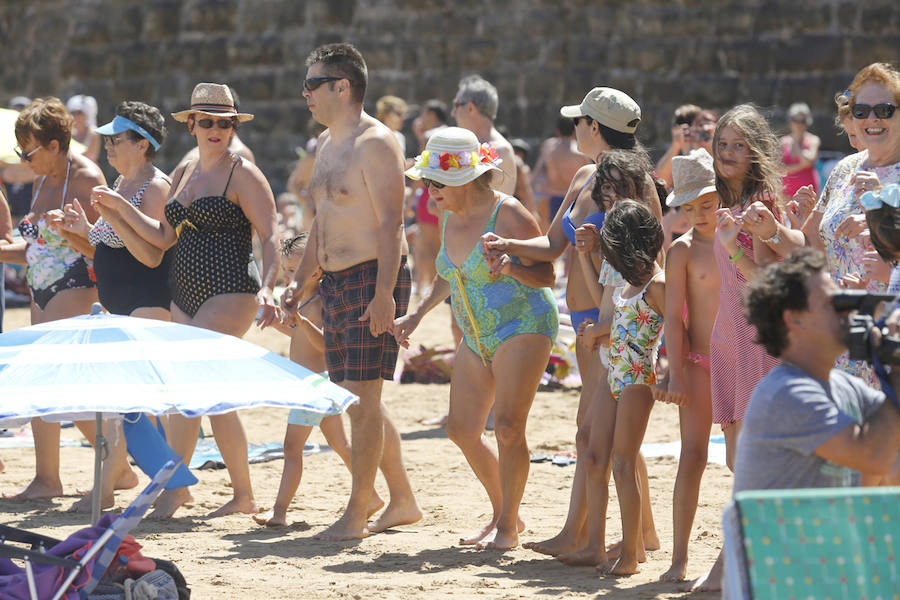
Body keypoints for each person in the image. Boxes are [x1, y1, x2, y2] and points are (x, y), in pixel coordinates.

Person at [90, 83, 281, 519]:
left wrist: (271, 286)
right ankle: (216, 492)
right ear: (191, 123)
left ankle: (195, 491)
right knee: (200, 396)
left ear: (233, 126)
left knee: (195, 390)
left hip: (231, 289)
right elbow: (161, 236)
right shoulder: (184, 172)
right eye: (208, 121)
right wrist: (118, 208)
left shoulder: (243, 172)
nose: (216, 129)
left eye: (225, 122)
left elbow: (271, 235)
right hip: (186, 293)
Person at [281, 43, 421, 540]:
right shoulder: (325, 143)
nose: (306, 93)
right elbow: (323, 216)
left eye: (313, 84)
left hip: (370, 278)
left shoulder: (376, 143)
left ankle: (356, 513)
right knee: (358, 400)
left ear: (343, 86)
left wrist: (384, 295)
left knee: (362, 402)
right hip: (337, 281)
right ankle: (401, 500)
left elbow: (392, 226)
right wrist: (301, 281)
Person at [393, 127, 558, 549]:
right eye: (426, 180)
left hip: (522, 324)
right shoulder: (448, 214)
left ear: (464, 178)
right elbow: (450, 276)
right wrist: (416, 314)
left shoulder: (509, 213)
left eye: (435, 181)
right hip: (475, 331)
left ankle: (506, 528)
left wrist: (511, 267)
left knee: (506, 427)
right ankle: (508, 515)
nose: (428, 189)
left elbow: (546, 274)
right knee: (462, 429)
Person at [49, 101, 178, 513]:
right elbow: (104, 249)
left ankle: (107, 488)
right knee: (127, 404)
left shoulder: (154, 186)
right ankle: (145, 483)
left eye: (115, 140)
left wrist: (120, 212)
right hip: (120, 303)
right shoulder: (121, 185)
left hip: (148, 300)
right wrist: (79, 233)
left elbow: (154, 252)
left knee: (135, 403)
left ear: (142, 145)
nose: (106, 147)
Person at [0, 97, 129, 500]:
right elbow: (36, 249)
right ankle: (51, 477)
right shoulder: (42, 179)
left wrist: (74, 231)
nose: (23, 159)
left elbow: (109, 247)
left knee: (75, 392)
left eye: (29, 150)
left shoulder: (87, 179)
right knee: (49, 390)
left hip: (78, 294)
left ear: (54, 145)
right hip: (42, 295)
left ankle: (116, 466)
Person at [681, 104, 783, 592]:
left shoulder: (762, 203)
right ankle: (753, 559)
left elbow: (768, 276)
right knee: (736, 459)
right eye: (722, 143)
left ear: (757, 150)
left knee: (747, 460)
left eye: (739, 145)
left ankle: (730, 565)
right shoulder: (723, 196)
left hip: (757, 336)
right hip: (729, 334)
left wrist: (733, 241)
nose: (727, 153)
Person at [737, 247, 900, 493]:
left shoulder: (846, 387)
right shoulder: (787, 394)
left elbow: (893, 468)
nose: (847, 310)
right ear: (795, 319)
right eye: (833, 303)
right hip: (783, 531)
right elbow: (874, 457)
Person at [254, 233, 382, 527]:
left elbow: (327, 343)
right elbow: (301, 336)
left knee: (291, 449)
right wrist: (280, 324)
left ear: (317, 268)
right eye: (286, 270)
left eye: (294, 270)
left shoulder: (324, 301)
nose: (289, 276)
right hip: (315, 383)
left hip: (316, 384)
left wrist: (301, 321)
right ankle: (371, 495)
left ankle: (280, 511)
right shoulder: (305, 299)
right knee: (341, 445)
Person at [578, 200, 665, 575]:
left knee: (624, 463)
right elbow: (617, 324)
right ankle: (604, 547)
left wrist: (671, 373)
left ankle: (631, 555)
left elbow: (677, 328)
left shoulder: (657, 283)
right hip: (615, 372)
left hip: (637, 378)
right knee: (599, 456)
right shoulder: (630, 280)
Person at [659, 148, 721, 582]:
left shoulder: (742, 237)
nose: (699, 214)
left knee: (746, 460)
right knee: (692, 456)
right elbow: (673, 317)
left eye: (708, 204)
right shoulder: (681, 250)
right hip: (699, 363)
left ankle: (735, 555)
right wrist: (675, 369)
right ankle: (679, 557)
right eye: (690, 207)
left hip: (744, 361)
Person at [451, 75, 516, 195]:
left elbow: (468, 199)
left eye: (456, 105)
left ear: (471, 108)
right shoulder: (480, 146)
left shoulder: (500, 150)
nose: (453, 113)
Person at [171, 86, 256, 175]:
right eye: (206, 123)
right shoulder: (184, 169)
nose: (215, 130)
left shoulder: (242, 159)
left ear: (233, 125)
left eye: (223, 123)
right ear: (191, 125)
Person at [530, 116, 592, 229]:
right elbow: (590, 178)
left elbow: (538, 170)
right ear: (574, 131)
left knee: (548, 237)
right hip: (573, 200)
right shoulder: (580, 152)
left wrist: (531, 190)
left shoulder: (548, 147)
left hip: (550, 197)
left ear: (557, 131)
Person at [655, 104, 703, 190]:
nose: (686, 129)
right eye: (680, 123)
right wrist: (675, 146)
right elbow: (661, 182)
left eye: (691, 123)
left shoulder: (710, 150)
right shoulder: (674, 156)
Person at [780, 102, 821, 200]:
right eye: (795, 120)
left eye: (802, 121)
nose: (799, 124)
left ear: (807, 123)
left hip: (809, 191)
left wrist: (796, 143)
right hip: (787, 192)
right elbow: (779, 169)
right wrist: (802, 165)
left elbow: (810, 160)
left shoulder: (813, 140)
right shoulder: (782, 142)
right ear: (790, 122)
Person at [66, 95, 101, 164]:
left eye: (79, 112)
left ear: (87, 113)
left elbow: (89, 154)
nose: (75, 116)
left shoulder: (94, 133)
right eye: (72, 113)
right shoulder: (68, 133)